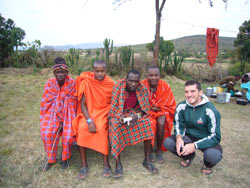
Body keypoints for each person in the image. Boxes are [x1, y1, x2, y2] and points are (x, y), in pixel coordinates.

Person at [164, 80, 222, 175]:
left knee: (213, 155)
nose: (189, 95)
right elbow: (179, 124)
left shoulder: (210, 110)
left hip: (206, 138)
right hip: (189, 136)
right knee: (169, 142)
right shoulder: (181, 106)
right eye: (186, 92)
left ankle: (207, 164)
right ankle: (188, 156)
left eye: (192, 91)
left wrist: (195, 145)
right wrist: (178, 137)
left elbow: (215, 136)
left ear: (200, 92)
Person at [108, 70, 158, 178]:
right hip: (120, 114)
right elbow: (113, 108)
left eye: (136, 81)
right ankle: (118, 164)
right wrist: (120, 116)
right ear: (126, 80)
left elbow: (144, 109)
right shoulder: (118, 87)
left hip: (134, 113)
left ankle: (147, 160)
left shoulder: (142, 88)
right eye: (131, 81)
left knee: (147, 123)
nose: (133, 84)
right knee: (115, 126)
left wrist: (137, 116)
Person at [72, 60, 115, 179]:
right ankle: (84, 164)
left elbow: (114, 102)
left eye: (102, 71)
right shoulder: (88, 82)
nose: (100, 74)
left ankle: (106, 163)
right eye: (97, 71)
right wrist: (89, 120)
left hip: (104, 111)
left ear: (106, 71)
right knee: (82, 127)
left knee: (101, 127)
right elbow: (83, 104)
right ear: (93, 71)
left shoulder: (110, 83)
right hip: (90, 112)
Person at [40, 57, 77, 171]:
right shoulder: (50, 84)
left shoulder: (72, 83)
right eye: (58, 72)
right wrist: (57, 117)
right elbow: (46, 102)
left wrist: (64, 118)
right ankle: (51, 159)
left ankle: (64, 158)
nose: (60, 74)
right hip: (52, 113)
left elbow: (74, 101)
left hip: (68, 114)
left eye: (63, 72)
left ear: (67, 73)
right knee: (47, 134)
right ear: (54, 73)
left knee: (68, 135)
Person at [141, 66, 176, 164]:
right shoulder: (142, 85)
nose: (153, 77)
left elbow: (170, 104)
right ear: (147, 75)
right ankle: (150, 149)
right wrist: (148, 107)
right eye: (150, 75)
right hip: (146, 111)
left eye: (156, 75)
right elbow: (139, 102)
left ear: (159, 76)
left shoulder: (165, 86)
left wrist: (158, 108)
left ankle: (159, 149)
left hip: (161, 110)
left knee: (161, 121)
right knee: (150, 122)